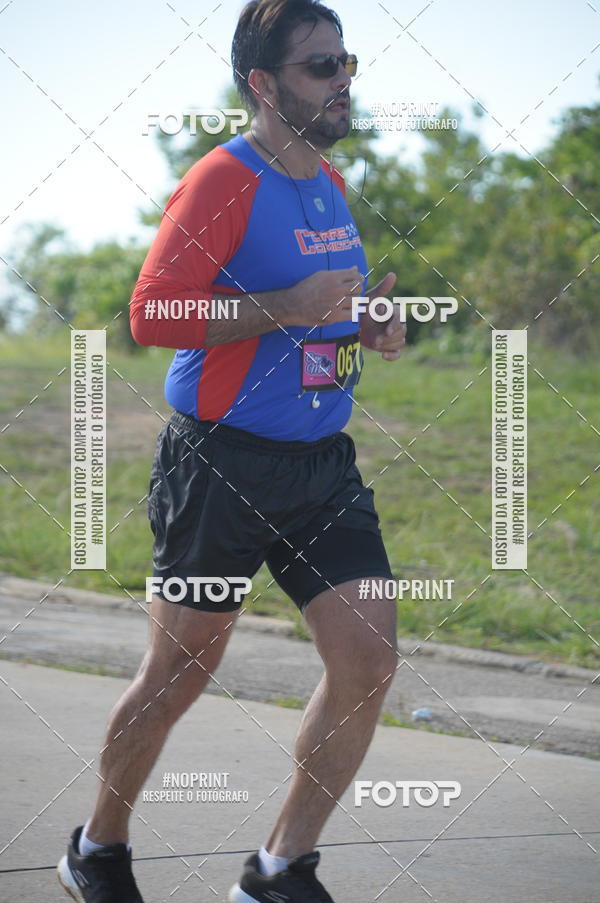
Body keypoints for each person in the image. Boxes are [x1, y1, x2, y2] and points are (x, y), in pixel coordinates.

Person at [57, 1, 407, 900]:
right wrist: (284, 307)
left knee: (369, 659)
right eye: (320, 67)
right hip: (220, 464)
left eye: (346, 62)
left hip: (322, 468)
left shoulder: (326, 180)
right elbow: (152, 315)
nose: (343, 81)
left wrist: (364, 325)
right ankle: (96, 848)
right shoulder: (223, 179)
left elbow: (318, 316)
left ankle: (279, 868)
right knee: (180, 671)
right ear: (263, 84)